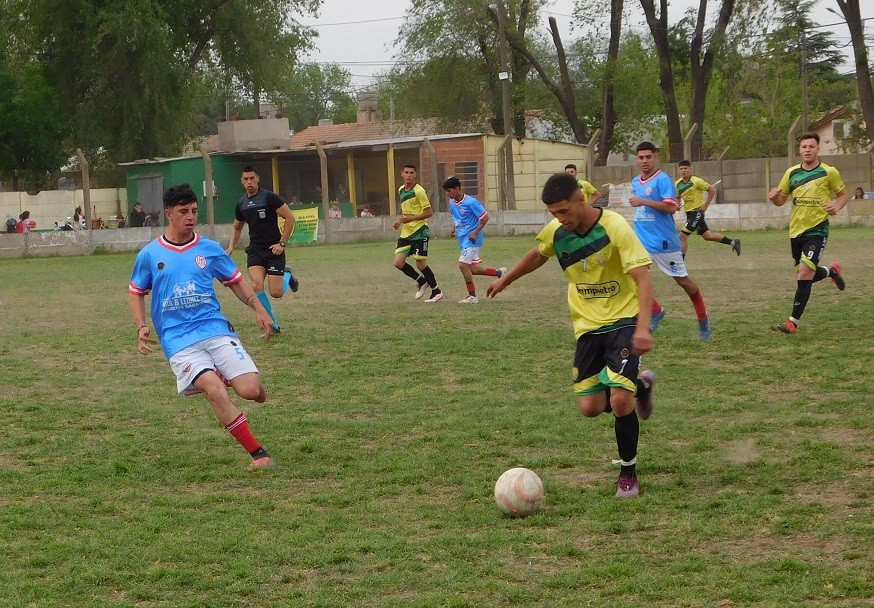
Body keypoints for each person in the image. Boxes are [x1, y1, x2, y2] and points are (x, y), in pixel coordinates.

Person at [486, 172, 656, 499]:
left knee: (620, 401)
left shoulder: (615, 227)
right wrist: (506, 280)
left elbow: (643, 278)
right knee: (590, 407)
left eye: (564, 211)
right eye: (554, 214)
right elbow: (538, 254)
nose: (560, 219)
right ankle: (641, 385)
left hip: (622, 320)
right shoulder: (558, 231)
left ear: (581, 199)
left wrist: (643, 327)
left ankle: (628, 475)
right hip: (587, 327)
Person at [128, 183, 276, 470]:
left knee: (250, 390)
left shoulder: (209, 249)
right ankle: (258, 453)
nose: (190, 217)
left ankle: (229, 376)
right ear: (169, 214)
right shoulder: (149, 254)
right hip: (177, 339)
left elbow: (236, 284)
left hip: (215, 330)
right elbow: (135, 290)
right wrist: (141, 326)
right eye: (183, 211)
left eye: (194, 211)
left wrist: (259, 309)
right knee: (214, 390)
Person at [630, 141, 711, 340]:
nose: (645, 161)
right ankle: (656, 311)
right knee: (630, 277)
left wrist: (643, 201)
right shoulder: (635, 182)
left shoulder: (663, 180)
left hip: (664, 242)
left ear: (656, 158)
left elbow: (671, 207)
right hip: (641, 241)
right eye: (641, 157)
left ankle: (703, 320)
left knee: (683, 282)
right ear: (637, 159)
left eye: (649, 157)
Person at [767, 132, 847, 334]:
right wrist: (773, 197)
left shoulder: (829, 172)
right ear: (800, 150)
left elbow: (843, 195)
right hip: (796, 231)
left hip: (818, 229)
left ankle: (792, 322)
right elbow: (780, 201)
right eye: (804, 147)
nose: (808, 150)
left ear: (818, 149)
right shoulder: (791, 173)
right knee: (806, 275)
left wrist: (836, 207)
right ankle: (831, 271)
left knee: (804, 275)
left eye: (811, 146)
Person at [226, 166, 300, 335]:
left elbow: (290, 218)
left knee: (276, 293)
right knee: (256, 286)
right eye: (245, 179)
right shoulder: (242, 203)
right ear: (242, 181)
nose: (249, 182)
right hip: (255, 251)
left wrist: (281, 243)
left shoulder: (269, 197)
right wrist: (231, 246)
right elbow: (237, 227)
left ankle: (287, 275)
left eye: (252, 178)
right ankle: (272, 325)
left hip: (274, 250)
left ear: (258, 179)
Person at [444, 176, 507, 303]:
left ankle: (472, 296)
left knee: (462, 265)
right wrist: (454, 228)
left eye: (449, 191)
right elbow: (456, 217)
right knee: (473, 269)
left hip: (472, 240)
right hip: (463, 239)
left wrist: (475, 232)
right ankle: (499, 273)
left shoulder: (471, 202)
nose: (447, 194)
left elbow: (485, 218)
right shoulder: (452, 202)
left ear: (457, 189)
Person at [393, 164, 443, 302]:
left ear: (415, 175)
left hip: (420, 231)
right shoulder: (401, 190)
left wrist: (411, 219)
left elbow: (429, 212)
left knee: (421, 263)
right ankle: (421, 281)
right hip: (406, 232)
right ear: (401, 173)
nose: (409, 175)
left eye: (411, 173)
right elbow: (406, 210)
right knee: (398, 262)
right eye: (406, 172)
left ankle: (436, 291)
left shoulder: (419, 191)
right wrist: (400, 221)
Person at [675, 160, 741, 256]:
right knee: (708, 236)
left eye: (685, 168)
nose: (683, 170)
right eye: (681, 169)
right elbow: (678, 196)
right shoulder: (677, 184)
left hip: (697, 212)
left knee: (682, 236)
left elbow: (712, 190)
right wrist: (677, 204)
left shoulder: (696, 181)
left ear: (690, 169)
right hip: (689, 213)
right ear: (678, 170)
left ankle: (680, 264)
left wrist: (705, 205)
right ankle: (733, 242)